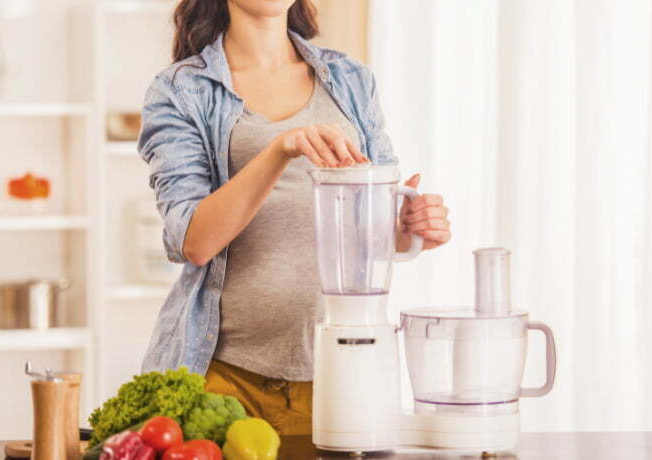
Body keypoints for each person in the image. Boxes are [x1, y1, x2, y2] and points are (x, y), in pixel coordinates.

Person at [138, 0, 451, 436]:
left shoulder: (352, 80)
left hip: (340, 373)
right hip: (222, 377)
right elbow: (193, 240)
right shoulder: (180, 90)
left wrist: (409, 227)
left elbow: (379, 225)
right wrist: (279, 149)